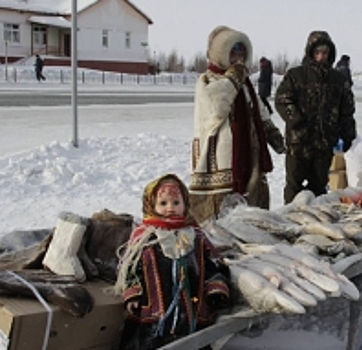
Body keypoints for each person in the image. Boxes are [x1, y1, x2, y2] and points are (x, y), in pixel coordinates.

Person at [115, 174, 231, 350]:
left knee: (193, 342)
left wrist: (215, 289)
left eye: (176, 203)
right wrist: (133, 293)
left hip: (192, 310)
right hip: (152, 312)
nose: (170, 208)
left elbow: (213, 264)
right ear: (151, 205)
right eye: (163, 204)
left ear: (185, 204)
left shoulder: (196, 236)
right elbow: (130, 267)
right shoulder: (145, 237)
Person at [189, 26, 285, 223]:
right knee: (221, 213)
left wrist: (271, 132)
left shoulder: (244, 83)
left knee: (253, 202)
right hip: (221, 158)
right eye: (233, 52)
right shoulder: (208, 81)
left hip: (250, 152)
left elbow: (257, 108)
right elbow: (217, 109)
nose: (238, 58)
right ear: (221, 53)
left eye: (242, 53)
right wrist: (234, 77)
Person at [275, 31, 357, 204]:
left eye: (325, 53)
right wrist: (296, 120)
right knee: (294, 186)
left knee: (319, 187)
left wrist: (348, 133)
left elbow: (347, 110)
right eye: (317, 52)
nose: (321, 57)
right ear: (310, 52)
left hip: (324, 144)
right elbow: (282, 99)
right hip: (299, 143)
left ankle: (315, 222)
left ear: (330, 54)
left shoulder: (338, 79)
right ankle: (290, 220)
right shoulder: (296, 75)